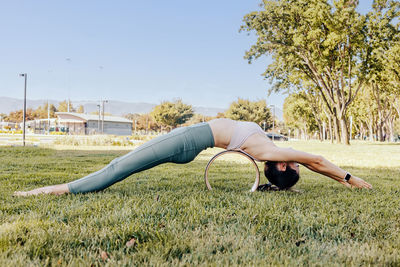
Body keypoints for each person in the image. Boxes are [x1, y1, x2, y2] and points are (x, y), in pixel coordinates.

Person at [13, 118, 372, 196]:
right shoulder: (268, 149)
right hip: (191, 143)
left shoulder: (272, 151)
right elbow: (313, 164)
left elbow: (317, 160)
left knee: (119, 167)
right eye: (296, 164)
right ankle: (60, 188)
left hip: (189, 141)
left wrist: (348, 177)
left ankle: (50, 190)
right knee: (120, 165)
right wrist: (284, 188)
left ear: (282, 166)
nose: (296, 159)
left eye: (293, 165)